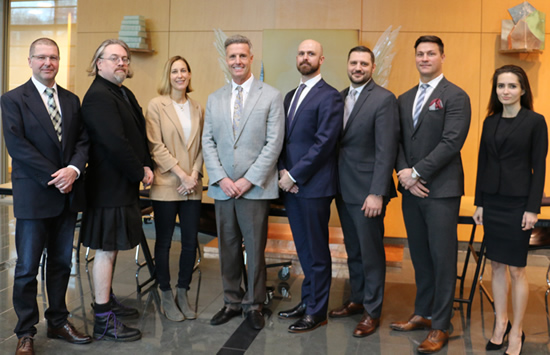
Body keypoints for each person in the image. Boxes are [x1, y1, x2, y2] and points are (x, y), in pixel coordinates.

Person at [1, 37, 91, 355]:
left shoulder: (71, 100)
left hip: (67, 195)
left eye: (53, 57)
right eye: (41, 57)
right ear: (30, 61)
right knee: (26, 267)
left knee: (61, 264)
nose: (47, 63)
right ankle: (26, 332)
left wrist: (74, 170)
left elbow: (82, 140)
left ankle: (58, 321)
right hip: (35, 193)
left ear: (58, 61)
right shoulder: (13, 99)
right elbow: (18, 147)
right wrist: (58, 175)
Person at [391, 35, 471, 353]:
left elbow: (452, 142)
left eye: (431, 53)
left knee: (442, 257)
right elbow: (397, 142)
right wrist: (404, 176)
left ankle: (441, 325)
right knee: (420, 256)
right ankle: (423, 313)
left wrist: (417, 173)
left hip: (441, 191)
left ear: (442, 57)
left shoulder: (456, 96)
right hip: (412, 190)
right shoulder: (404, 98)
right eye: (420, 54)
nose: (425, 58)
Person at [202, 34, 284, 331]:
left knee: (255, 248)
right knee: (228, 248)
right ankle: (231, 301)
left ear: (251, 58)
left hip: (255, 189)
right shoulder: (215, 98)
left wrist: (248, 180)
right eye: (232, 56)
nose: (237, 61)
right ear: (227, 61)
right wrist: (222, 178)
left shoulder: (272, 96)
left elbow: (274, 144)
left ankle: (254, 304)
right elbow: (207, 141)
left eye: (242, 56)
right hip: (223, 190)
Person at [80, 39, 153, 341]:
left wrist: (147, 165)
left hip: (122, 186)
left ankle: (106, 300)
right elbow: (114, 143)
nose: (122, 63)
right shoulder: (98, 96)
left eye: (124, 58)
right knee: (106, 250)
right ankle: (102, 318)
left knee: (110, 250)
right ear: (98, 63)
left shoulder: (122, 92)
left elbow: (138, 133)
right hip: (107, 188)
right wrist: (141, 170)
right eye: (114, 58)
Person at [473, 65, 547, 355]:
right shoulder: (489, 122)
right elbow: (482, 164)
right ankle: (500, 324)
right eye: (501, 86)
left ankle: (516, 331)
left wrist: (532, 209)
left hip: (518, 204)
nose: (505, 91)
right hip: (492, 202)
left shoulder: (535, 122)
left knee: (517, 268)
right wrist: (479, 202)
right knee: (496, 265)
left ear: (523, 89)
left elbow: (539, 168)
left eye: (512, 86)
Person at [329, 46, 399, 337]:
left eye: (363, 63)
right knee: (354, 250)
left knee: (371, 253)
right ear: (347, 65)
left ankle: (372, 311)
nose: (358, 67)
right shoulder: (340, 96)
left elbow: (386, 150)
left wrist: (378, 192)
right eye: (354, 62)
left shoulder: (383, 99)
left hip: (368, 192)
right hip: (343, 190)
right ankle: (357, 299)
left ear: (373, 67)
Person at [277, 39, 343, 333]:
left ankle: (318, 311)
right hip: (290, 185)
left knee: (316, 252)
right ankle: (307, 301)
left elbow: (324, 144)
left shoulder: (330, 96)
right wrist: (282, 173)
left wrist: (294, 176)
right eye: (301, 53)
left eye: (311, 53)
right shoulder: (291, 95)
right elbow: (283, 139)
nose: (305, 57)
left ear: (322, 59)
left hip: (314, 186)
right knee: (303, 250)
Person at [145, 55, 204, 321]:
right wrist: (181, 174)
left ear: (190, 75)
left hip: (192, 185)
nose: (180, 75)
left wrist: (193, 175)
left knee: (191, 242)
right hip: (168, 183)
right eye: (174, 71)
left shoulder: (198, 108)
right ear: (168, 76)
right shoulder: (157, 105)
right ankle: (165, 291)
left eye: (184, 70)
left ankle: (183, 290)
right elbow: (156, 146)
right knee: (165, 242)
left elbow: (203, 146)